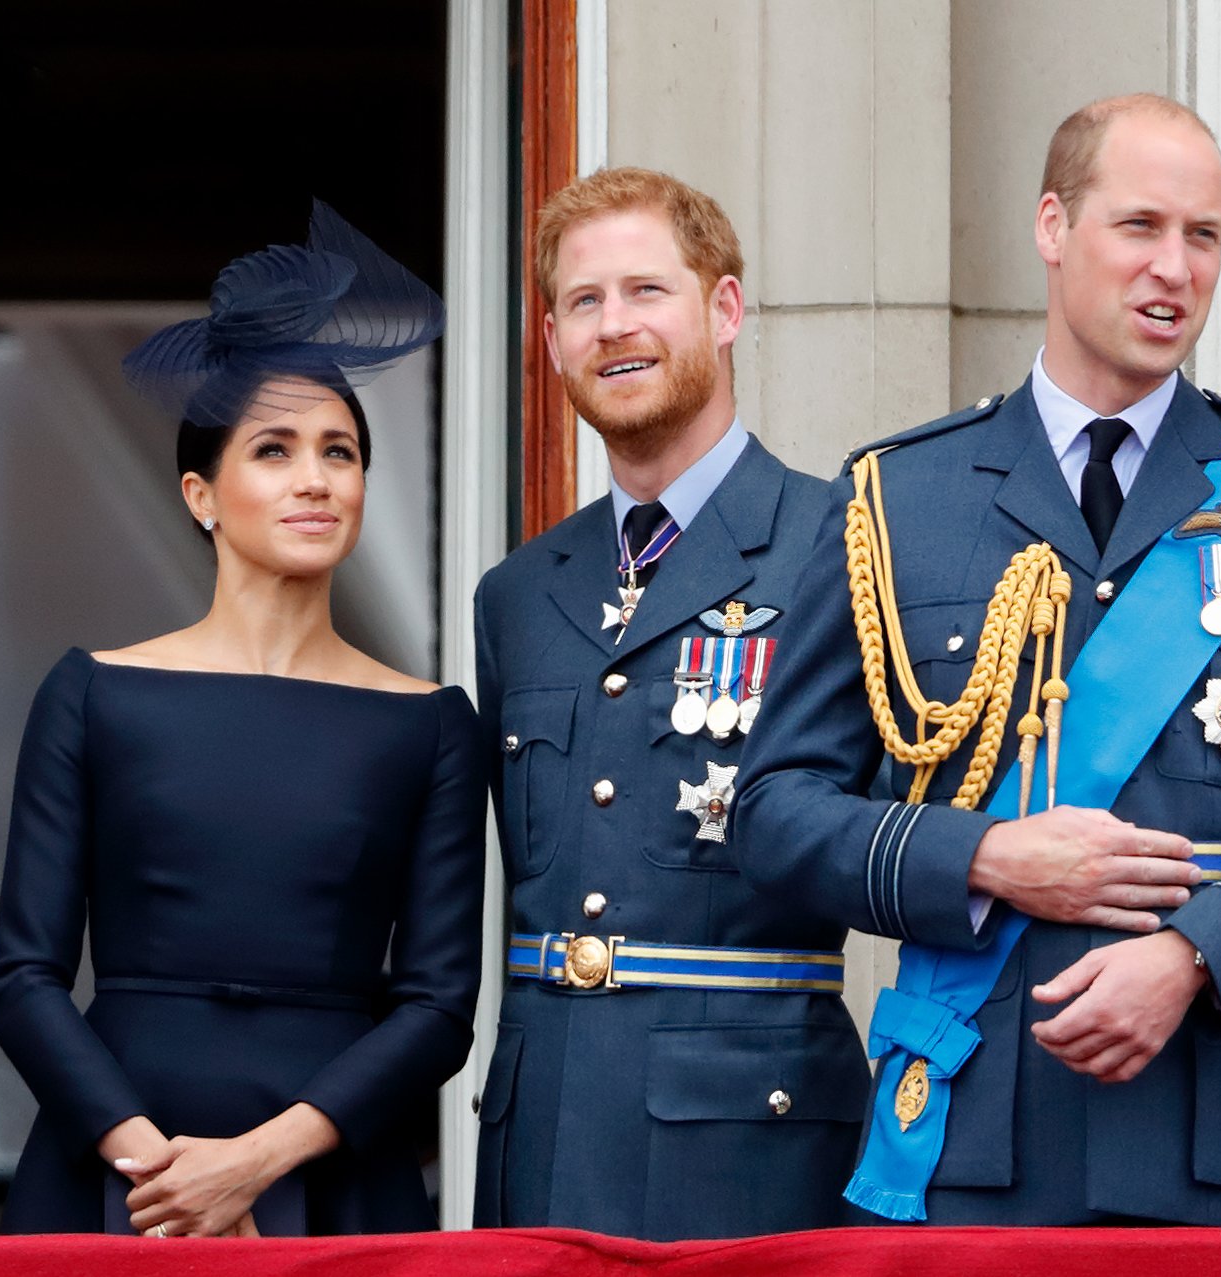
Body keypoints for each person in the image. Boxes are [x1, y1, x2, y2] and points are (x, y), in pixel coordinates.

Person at [733, 93, 1221, 1226]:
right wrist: (986, 853)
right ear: (1052, 227)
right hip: (974, 1126)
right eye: (1139, 225)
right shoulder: (898, 496)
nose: (1175, 267)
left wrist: (1194, 955)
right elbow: (778, 808)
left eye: (1203, 235)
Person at [0, 203, 484, 1237]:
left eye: (340, 452)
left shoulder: (431, 723)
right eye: (275, 449)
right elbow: (23, 977)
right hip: (116, 1162)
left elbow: (438, 1007)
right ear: (201, 493)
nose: (314, 478)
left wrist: (256, 1162)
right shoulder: (93, 691)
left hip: (332, 1164)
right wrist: (158, 1171)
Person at [470, 167, 865, 1240]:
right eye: (583, 303)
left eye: (647, 290)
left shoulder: (839, 544)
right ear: (550, 341)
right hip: (542, 1126)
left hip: (746, 1136)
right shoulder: (517, 594)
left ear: (724, 310)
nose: (614, 326)